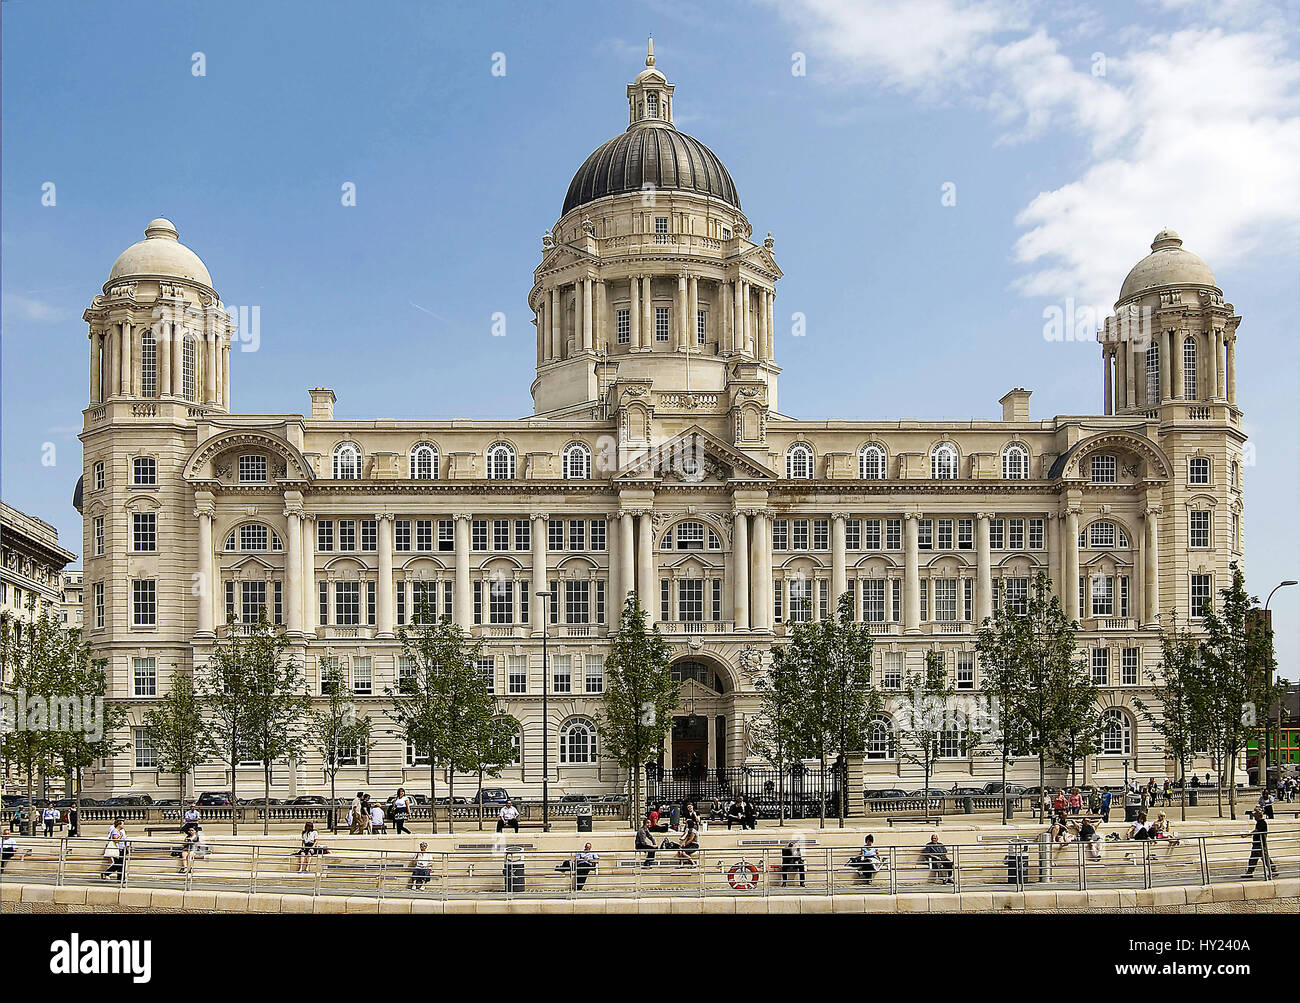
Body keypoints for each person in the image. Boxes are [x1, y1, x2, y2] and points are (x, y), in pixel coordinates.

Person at [1242, 809, 1273, 880]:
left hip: (1261, 844)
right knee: (1253, 858)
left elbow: (1256, 831)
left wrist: (1246, 835)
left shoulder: (1262, 823)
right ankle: (1249, 872)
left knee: (1265, 858)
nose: (1254, 817)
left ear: (1258, 816)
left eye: (1255, 815)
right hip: (1256, 844)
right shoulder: (1259, 822)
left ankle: (1273, 870)